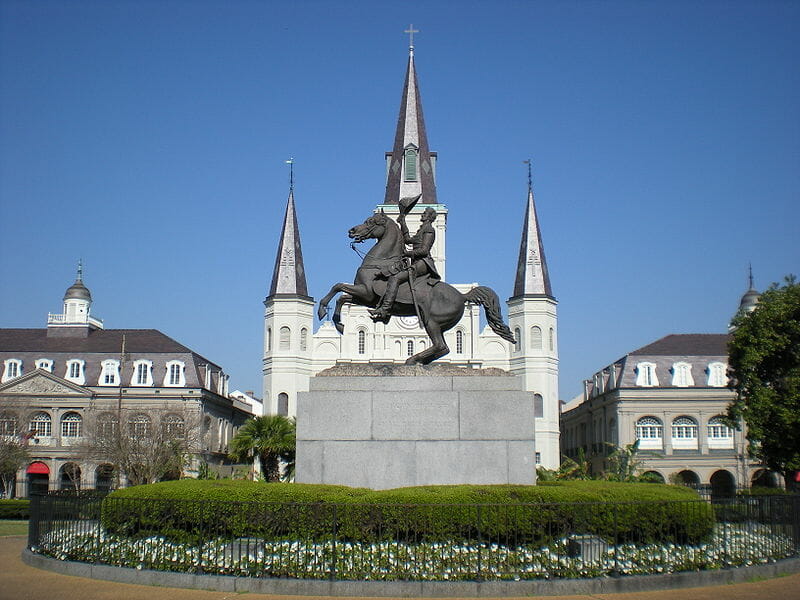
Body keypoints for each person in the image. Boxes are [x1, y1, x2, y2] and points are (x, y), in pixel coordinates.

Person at [369, 198, 440, 322]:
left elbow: (424, 250)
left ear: (429, 217)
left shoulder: (429, 230)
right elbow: (407, 239)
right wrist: (402, 222)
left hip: (423, 263)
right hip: (416, 262)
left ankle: (385, 310)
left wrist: (408, 253)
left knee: (396, 278)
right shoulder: (422, 230)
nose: (422, 215)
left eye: (425, 214)